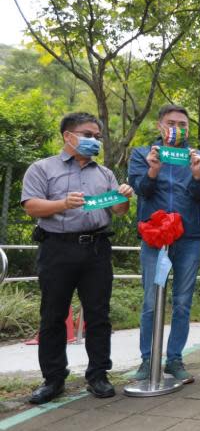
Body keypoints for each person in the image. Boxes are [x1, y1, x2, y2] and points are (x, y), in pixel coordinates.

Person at [21, 112, 134, 404]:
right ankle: (53, 380)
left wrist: (123, 196)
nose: (93, 140)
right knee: (52, 316)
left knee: (98, 315)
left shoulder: (105, 173)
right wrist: (62, 203)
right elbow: (31, 206)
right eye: (87, 135)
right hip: (57, 248)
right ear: (68, 136)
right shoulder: (42, 168)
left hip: (97, 249)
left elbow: (119, 212)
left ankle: (98, 375)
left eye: (97, 136)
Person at [128, 104, 200, 384]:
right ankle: (147, 359)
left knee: (183, 302)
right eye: (171, 122)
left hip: (188, 237)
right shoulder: (142, 154)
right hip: (154, 236)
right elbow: (141, 190)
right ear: (159, 126)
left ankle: (174, 359)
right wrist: (153, 170)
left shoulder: (198, 157)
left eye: (183, 124)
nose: (178, 128)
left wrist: (197, 173)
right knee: (151, 301)